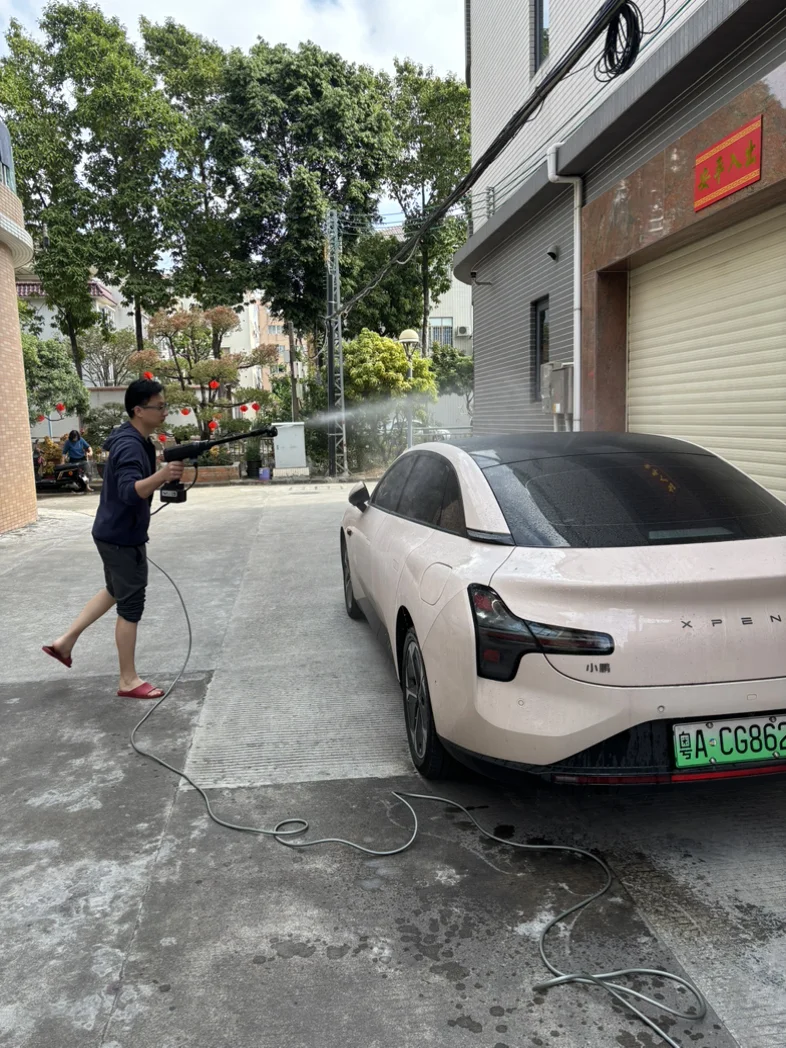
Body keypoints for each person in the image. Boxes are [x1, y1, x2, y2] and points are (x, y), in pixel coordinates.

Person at [42, 379, 184, 699]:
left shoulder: (134, 439)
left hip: (112, 532)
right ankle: (128, 680)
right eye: (159, 406)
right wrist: (162, 475)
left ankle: (64, 643)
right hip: (121, 537)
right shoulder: (131, 445)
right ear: (139, 410)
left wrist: (159, 473)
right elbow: (129, 491)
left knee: (115, 590)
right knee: (131, 604)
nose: (164, 411)